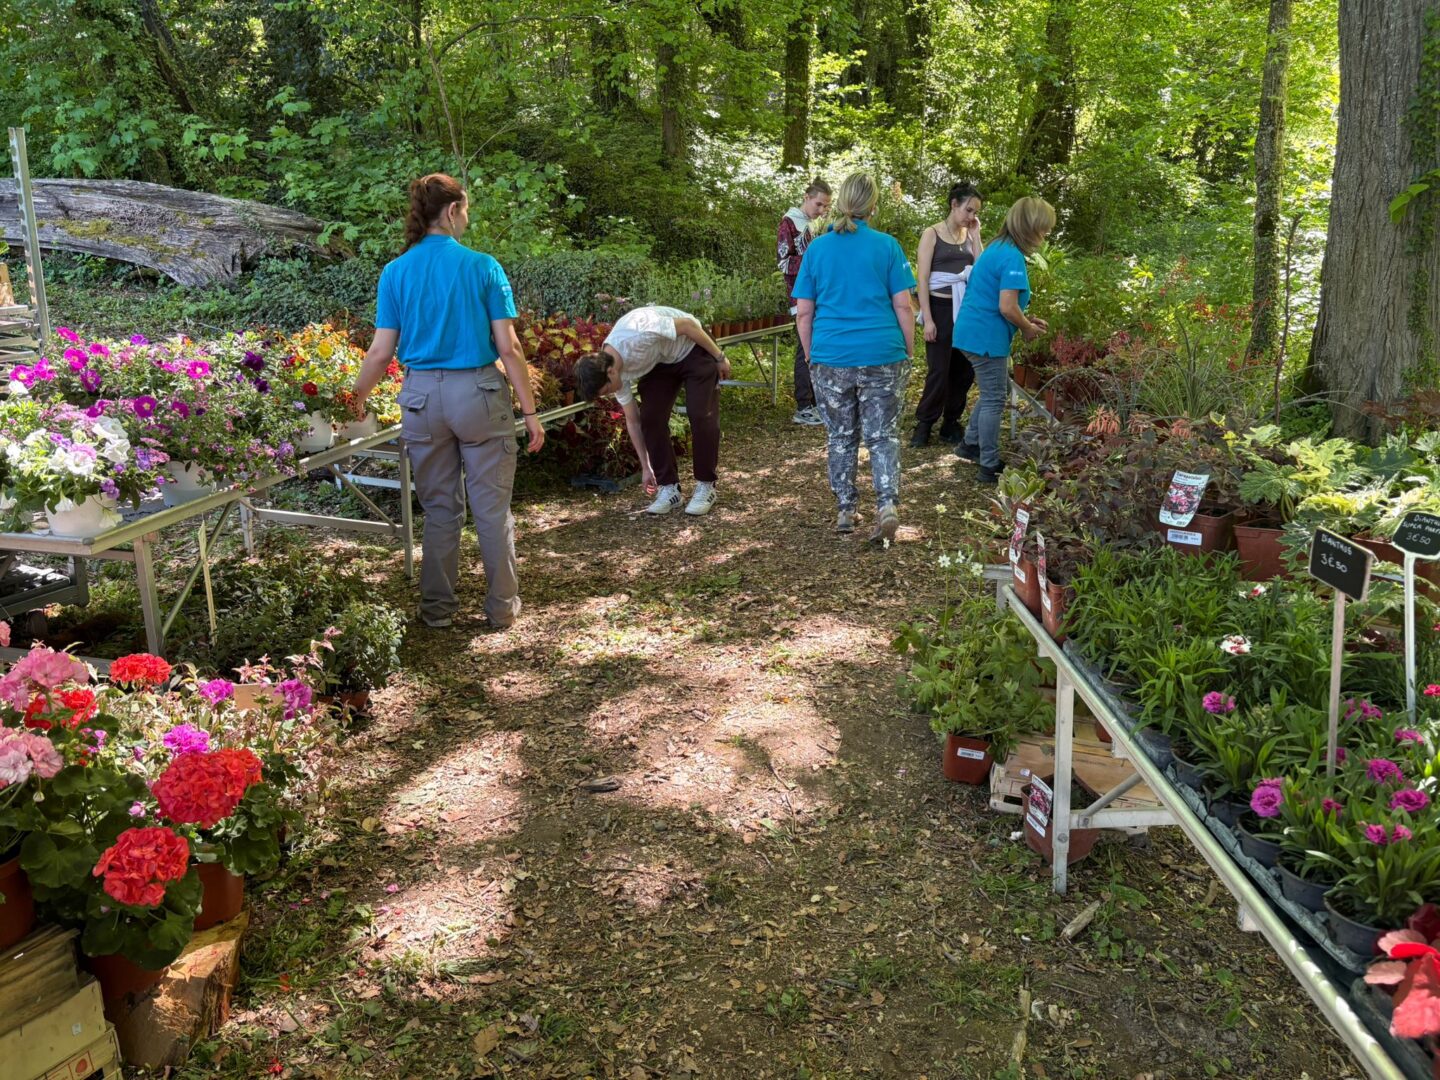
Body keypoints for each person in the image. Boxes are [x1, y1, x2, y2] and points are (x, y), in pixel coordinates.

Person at [351, 173, 544, 630]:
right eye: (467, 210)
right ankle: (501, 609)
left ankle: (436, 610)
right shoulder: (483, 267)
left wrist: (353, 400)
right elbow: (509, 348)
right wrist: (530, 411)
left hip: (420, 398)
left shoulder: (395, 272)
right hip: (477, 394)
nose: (467, 218)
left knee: (440, 510)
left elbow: (380, 352)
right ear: (453, 210)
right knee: (492, 510)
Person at [792, 172, 917, 542]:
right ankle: (887, 504)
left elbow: (803, 311)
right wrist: (908, 350)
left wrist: (813, 353)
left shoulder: (817, 248)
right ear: (872, 207)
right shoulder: (888, 246)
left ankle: (846, 508)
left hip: (832, 355)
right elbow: (904, 306)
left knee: (841, 436)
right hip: (883, 353)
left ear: (840, 204)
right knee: (883, 435)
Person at [573, 306, 731, 516]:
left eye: (607, 390)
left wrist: (720, 357)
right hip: (661, 361)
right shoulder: (613, 373)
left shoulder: (637, 334)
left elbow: (688, 325)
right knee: (650, 418)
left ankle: (706, 485)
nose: (609, 394)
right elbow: (634, 421)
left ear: (610, 372)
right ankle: (669, 488)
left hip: (692, 346)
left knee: (700, 414)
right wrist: (646, 467)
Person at [952, 196, 1056, 484]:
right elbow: (1007, 308)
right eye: (1044, 228)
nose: (1046, 234)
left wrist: (1026, 319)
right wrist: (1026, 328)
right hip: (985, 337)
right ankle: (988, 464)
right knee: (995, 399)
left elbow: (1001, 300)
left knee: (989, 393)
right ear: (1029, 227)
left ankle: (970, 444)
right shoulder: (1011, 257)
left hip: (972, 332)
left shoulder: (999, 248)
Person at [911, 182, 983, 447]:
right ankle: (924, 423)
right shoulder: (932, 234)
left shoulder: (969, 236)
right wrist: (927, 319)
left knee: (964, 371)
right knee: (939, 371)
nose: (971, 216)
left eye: (975, 212)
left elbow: (982, 269)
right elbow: (922, 279)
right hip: (939, 309)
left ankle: (951, 422)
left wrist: (976, 236)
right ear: (954, 204)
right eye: (968, 210)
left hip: (964, 311)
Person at [778, 179, 832, 426]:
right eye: (819, 204)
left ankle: (814, 400)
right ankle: (803, 405)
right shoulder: (788, 223)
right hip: (799, 295)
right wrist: (813, 261)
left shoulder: (809, 225)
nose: (821, 210)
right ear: (807, 197)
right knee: (804, 347)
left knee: (815, 345)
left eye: (825, 207)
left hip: (814, 293)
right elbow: (783, 261)